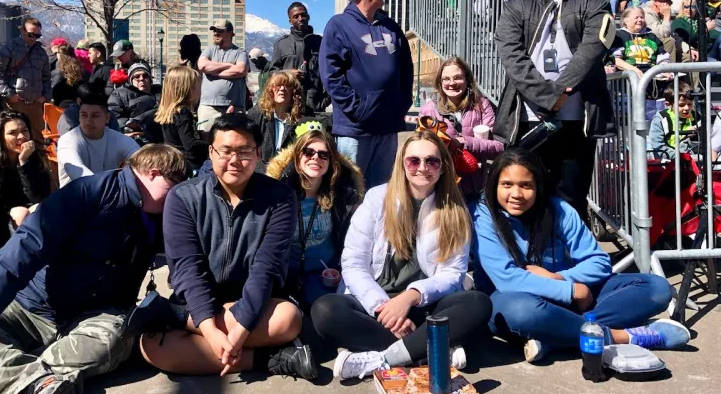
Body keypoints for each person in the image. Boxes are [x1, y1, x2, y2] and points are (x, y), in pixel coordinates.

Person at [0, 145, 186, 394]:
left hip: (96, 317)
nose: (177, 200)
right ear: (154, 174)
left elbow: (187, 260)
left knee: (114, 340)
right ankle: (37, 386)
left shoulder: (158, 216)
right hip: (32, 307)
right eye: (175, 189)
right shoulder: (86, 193)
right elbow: (25, 248)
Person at [133, 114, 315, 380]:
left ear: (257, 153)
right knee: (152, 347)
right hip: (201, 302)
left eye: (244, 151)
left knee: (288, 319)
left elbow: (267, 268)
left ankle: (178, 317)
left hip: (253, 304)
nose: (234, 160)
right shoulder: (183, 197)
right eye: (226, 150)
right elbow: (186, 269)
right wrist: (210, 329)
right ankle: (272, 360)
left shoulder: (280, 197)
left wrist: (239, 330)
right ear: (211, 151)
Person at [472, 149, 689, 363]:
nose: (517, 194)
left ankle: (555, 335)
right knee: (520, 312)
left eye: (526, 185)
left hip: (571, 296)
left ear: (538, 186)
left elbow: (599, 262)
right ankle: (624, 336)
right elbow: (507, 279)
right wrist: (570, 290)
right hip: (515, 298)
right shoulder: (482, 216)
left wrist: (561, 279)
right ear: (494, 185)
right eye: (507, 185)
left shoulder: (559, 209)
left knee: (656, 288)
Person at [311, 131, 492, 380]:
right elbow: (353, 263)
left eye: (432, 161)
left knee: (478, 303)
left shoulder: (454, 208)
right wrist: (383, 308)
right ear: (402, 164)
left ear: (443, 167)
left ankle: (382, 359)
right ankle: (431, 350)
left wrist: (411, 296)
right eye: (413, 161)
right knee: (325, 311)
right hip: (376, 301)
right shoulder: (377, 198)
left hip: (423, 304)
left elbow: (453, 273)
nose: (422, 168)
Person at [494, 0, 616, 221]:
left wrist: (562, 92)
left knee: (571, 201)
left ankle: (569, 263)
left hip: (577, 121)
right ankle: (528, 261)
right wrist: (550, 97)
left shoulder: (595, 1)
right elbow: (512, 56)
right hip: (526, 122)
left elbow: (591, 50)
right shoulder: (517, 5)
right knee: (525, 199)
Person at [320, 0, 414, 189]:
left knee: (382, 193)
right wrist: (358, 109)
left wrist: (402, 104)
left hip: (388, 126)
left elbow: (406, 69)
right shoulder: (339, 25)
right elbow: (330, 75)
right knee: (350, 191)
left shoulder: (391, 26)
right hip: (355, 130)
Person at [266, 123, 364, 308]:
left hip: (326, 277)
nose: (315, 158)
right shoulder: (279, 193)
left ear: (331, 161)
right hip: (285, 279)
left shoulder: (343, 196)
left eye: (323, 154)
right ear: (297, 156)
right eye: (308, 152)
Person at [0, 111, 51, 255]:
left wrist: (24, 163)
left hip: (29, 217)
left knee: (38, 208)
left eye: (24, 131)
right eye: (13, 133)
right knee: (21, 213)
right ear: (0, 136)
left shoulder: (35, 158)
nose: (21, 137)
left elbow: (38, 197)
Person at [418, 57, 504, 199]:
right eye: (446, 79)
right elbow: (421, 149)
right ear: (440, 82)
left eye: (457, 78)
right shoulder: (429, 110)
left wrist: (464, 142)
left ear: (467, 79)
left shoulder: (483, 106)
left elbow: (499, 147)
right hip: (441, 189)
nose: (451, 83)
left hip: (476, 188)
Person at [0, 17, 52, 146]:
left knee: (37, 138)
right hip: (15, 103)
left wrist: (45, 96)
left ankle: (37, 164)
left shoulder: (41, 53)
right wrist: (9, 94)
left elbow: (46, 77)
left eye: (37, 35)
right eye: (31, 34)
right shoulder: (8, 48)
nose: (34, 38)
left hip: (35, 104)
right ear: (22, 30)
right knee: (15, 138)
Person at [57, 91, 140, 186]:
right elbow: (78, 172)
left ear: (107, 118)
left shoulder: (117, 138)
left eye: (95, 116)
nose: (88, 121)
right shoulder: (67, 140)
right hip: (74, 198)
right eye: (84, 115)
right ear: (79, 116)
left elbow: (142, 160)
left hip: (108, 196)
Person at [269, 2, 330, 116]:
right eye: (296, 16)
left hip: (314, 107)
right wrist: (287, 74)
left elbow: (331, 71)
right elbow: (272, 74)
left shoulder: (321, 43)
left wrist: (324, 101)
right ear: (290, 21)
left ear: (308, 17)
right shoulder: (281, 45)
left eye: (303, 15)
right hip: (289, 106)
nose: (300, 19)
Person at [155, 65, 208, 175]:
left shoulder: (169, 112)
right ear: (187, 89)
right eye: (198, 86)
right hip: (189, 167)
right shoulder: (182, 112)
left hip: (174, 163)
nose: (200, 91)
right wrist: (212, 143)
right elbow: (190, 144)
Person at [247, 71, 305, 172]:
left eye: (287, 86)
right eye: (278, 85)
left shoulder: (302, 116)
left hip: (291, 172)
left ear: (293, 92)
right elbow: (249, 147)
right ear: (270, 90)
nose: (282, 89)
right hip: (261, 172)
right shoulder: (256, 114)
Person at [196, 21, 249, 131]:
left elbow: (240, 70)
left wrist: (214, 71)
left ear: (230, 33)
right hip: (208, 107)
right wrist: (228, 65)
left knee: (234, 143)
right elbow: (202, 66)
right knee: (207, 143)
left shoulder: (240, 52)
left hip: (234, 108)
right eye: (214, 31)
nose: (216, 33)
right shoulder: (209, 50)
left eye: (220, 31)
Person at [108, 62, 161, 143]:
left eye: (145, 75)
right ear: (130, 80)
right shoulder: (119, 94)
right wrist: (128, 126)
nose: (141, 78)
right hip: (134, 140)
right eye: (137, 76)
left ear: (150, 79)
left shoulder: (161, 92)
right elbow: (114, 115)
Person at [650, 82, 696, 160]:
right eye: (681, 105)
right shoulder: (661, 119)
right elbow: (658, 146)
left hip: (692, 161)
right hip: (667, 164)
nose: (687, 108)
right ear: (668, 104)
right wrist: (680, 157)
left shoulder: (696, 118)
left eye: (690, 104)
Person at [57, 81, 121, 137]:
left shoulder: (107, 114)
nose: (89, 122)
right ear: (79, 101)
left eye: (95, 116)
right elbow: (69, 141)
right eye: (89, 102)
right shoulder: (69, 115)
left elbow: (116, 138)